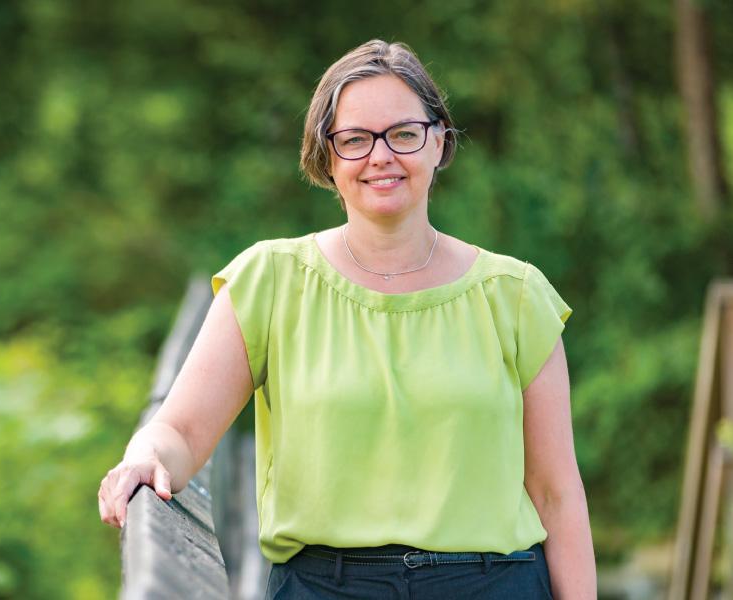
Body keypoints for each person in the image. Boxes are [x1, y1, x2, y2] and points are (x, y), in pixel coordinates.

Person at [98, 39, 596, 599]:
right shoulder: (269, 281)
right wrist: (145, 456)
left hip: (493, 584)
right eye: (355, 140)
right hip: (325, 588)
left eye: (403, 134)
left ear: (439, 142)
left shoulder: (516, 295)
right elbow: (181, 432)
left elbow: (556, 493)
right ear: (326, 157)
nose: (380, 156)